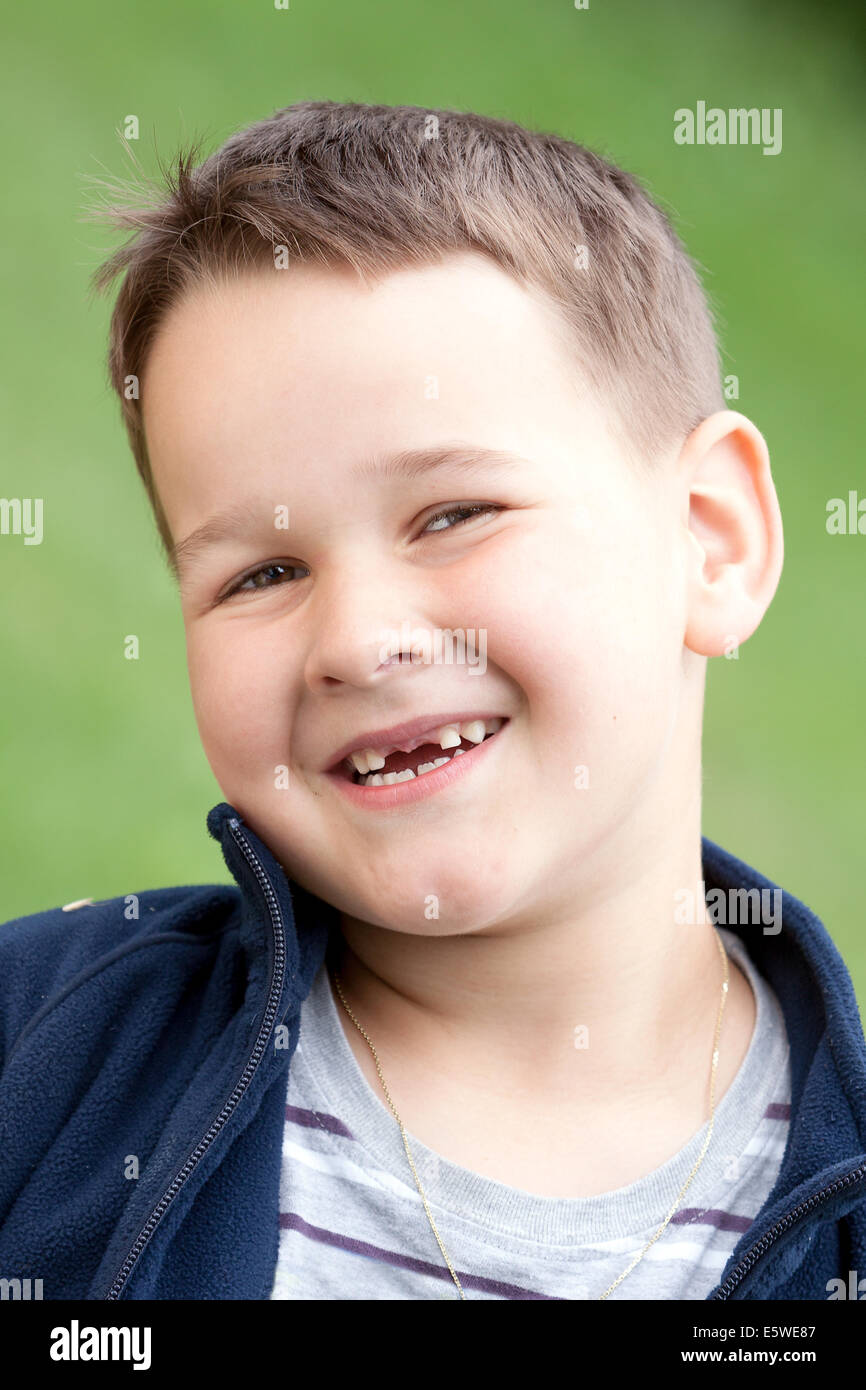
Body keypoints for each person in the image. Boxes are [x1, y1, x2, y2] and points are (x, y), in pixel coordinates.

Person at [2, 100, 864, 1302]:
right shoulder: (39, 1051)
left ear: (708, 543)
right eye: (261, 572)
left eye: (452, 515)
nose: (355, 641)